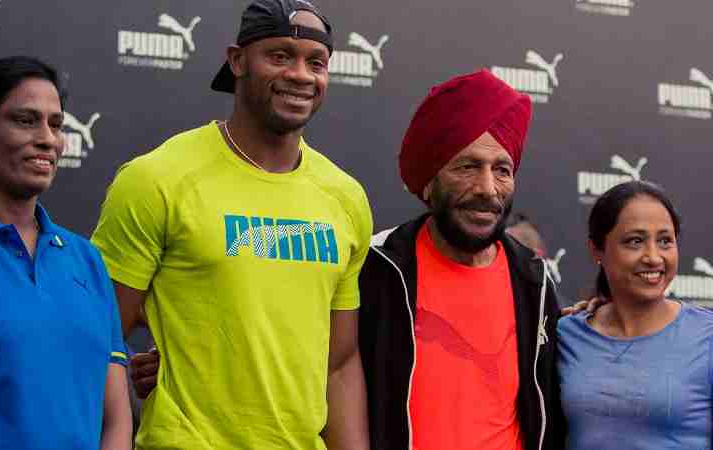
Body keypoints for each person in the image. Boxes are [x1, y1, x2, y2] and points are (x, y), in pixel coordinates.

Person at [90, 1, 373, 448]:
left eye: (315, 62)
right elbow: (95, 340)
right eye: (279, 56)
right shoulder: (156, 179)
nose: (301, 74)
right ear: (237, 60)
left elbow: (338, 365)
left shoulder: (345, 197)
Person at [0, 57, 131, 450]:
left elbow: (116, 422)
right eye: (26, 120)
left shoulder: (86, 259)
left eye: (56, 124)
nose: (48, 138)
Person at [358, 70, 565, 450]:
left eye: (502, 170)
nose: (487, 189)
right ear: (428, 181)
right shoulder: (378, 270)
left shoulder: (534, 283)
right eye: (467, 166)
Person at [558, 180, 712, 449]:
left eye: (665, 240)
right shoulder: (565, 335)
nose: (653, 257)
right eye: (635, 241)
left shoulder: (707, 336)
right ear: (597, 249)